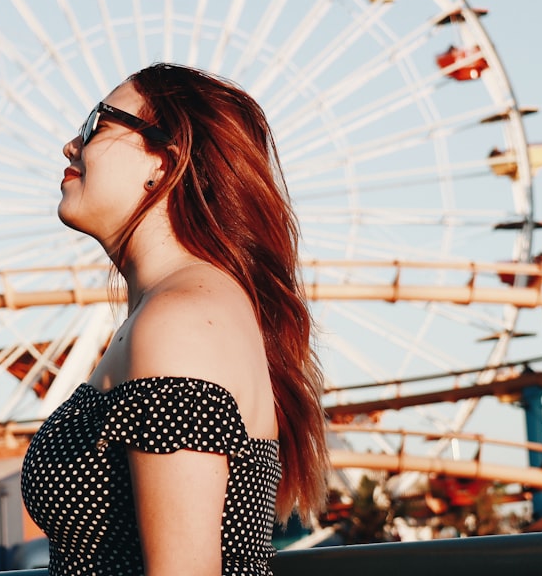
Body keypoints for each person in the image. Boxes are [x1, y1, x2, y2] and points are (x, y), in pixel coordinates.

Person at [21, 63, 328, 575]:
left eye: (98, 122)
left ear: (164, 162)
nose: (70, 145)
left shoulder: (180, 323)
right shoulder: (185, 310)